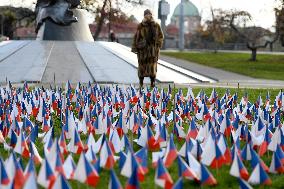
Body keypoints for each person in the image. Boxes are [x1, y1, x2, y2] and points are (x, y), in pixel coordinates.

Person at [131, 9, 164, 88]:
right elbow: (136, 37)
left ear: (151, 15)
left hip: (153, 51)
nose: (148, 16)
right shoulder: (141, 25)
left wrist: (157, 45)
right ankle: (141, 84)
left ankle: (152, 83)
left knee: (152, 68)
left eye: (149, 14)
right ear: (144, 16)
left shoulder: (156, 25)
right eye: (146, 14)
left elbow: (161, 36)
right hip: (143, 51)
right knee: (142, 67)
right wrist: (136, 47)